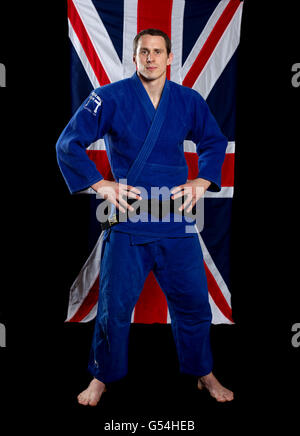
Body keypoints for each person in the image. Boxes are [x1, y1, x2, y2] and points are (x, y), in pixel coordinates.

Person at [56, 28, 234, 405]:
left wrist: (203, 180)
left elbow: (214, 141)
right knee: (114, 306)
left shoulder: (188, 100)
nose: (150, 58)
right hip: (128, 219)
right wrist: (100, 184)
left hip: (176, 221)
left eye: (157, 52)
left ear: (169, 58)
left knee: (194, 304)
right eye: (143, 52)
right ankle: (101, 377)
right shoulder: (107, 98)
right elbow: (67, 143)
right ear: (134, 57)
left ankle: (204, 372)